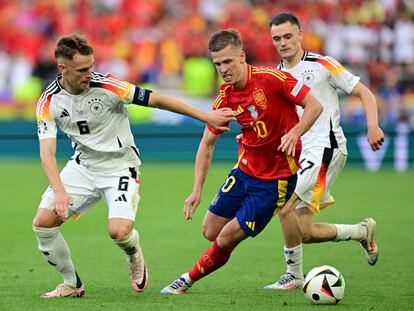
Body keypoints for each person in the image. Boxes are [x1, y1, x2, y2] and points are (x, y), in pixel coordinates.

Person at [32, 33, 237, 299]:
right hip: (82, 167)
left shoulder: (109, 86)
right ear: (63, 68)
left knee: (118, 231)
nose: (89, 73)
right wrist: (60, 191)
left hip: (120, 167)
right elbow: (47, 154)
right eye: (83, 69)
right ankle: (72, 284)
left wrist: (205, 116)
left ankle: (134, 252)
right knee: (43, 223)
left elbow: (158, 99)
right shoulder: (48, 101)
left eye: (92, 66)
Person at [160, 29, 323, 295]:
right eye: (217, 64)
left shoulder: (273, 79)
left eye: (228, 62)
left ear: (242, 56)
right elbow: (207, 144)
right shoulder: (225, 97)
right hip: (245, 171)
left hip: (275, 180)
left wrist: (294, 133)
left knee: (226, 238)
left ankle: (185, 280)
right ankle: (234, 239)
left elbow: (314, 106)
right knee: (210, 230)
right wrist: (196, 190)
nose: (223, 69)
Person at [262, 13, 385, 290]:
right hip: (299, 154)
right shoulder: (274, 75)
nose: (283, 43)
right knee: (302, 232)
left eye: (288, 36)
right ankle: (361, 232)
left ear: (300, 34)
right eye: (277, 39)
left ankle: (293, 275)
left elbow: (365, 93)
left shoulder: (323, 64)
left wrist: (373, 126)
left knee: (284, 205)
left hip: (326, 148)